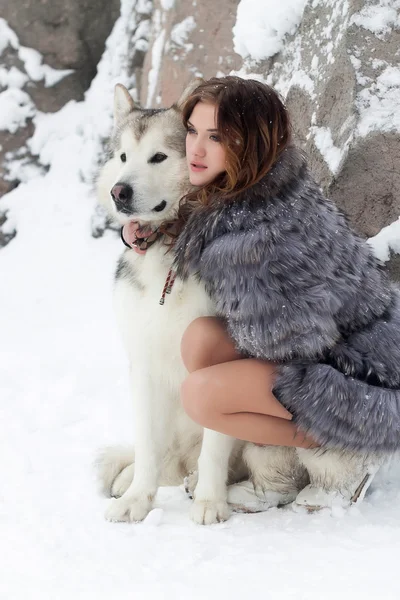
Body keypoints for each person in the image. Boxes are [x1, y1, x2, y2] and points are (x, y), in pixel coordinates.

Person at [122, 76, 400, 454]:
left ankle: (341, 450)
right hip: (370, 355)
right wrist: (152, 232)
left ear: (247, 140)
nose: (196, 150)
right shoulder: (264, 184)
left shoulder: (253, 241)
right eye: (191, 132)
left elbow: (288, 342)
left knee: (201, 396)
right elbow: (203, 216)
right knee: (201, 340)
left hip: (368, 393)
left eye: (216, 137)